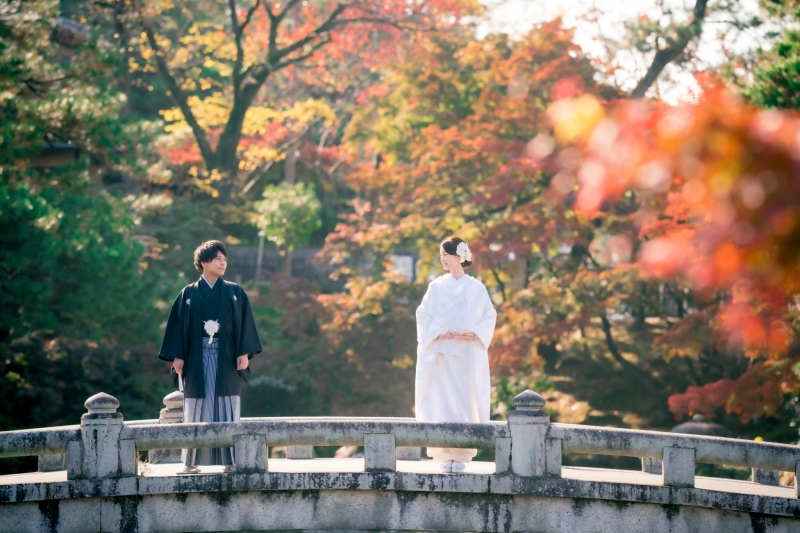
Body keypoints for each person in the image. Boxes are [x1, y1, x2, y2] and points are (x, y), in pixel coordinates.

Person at [159, 240, 262, 474]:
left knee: (227, 406)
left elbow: (244, 325)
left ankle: (231, 460)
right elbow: (177, 327)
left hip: (226, 358)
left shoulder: (235, 292)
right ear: (203, 262)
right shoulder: (188, 294)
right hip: (195, 357)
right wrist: (177, 356)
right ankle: (190, 462)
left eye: (225, 259)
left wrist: (243, 352)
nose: (223, 262)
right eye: (218, 258)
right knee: (195, 406)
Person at [414, 237, 497, 474]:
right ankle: (442, 453)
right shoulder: (436, 287)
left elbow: (489, 316)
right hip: (442, 355)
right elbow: (423, 314)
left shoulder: (477, 288)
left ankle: (461, 452)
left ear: (459, 257)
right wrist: (440, 331)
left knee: (463, 404)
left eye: (445, 255)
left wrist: (475, 332)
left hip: (465, 356)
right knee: (441, 403)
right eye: (440, 255)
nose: (442, 259)